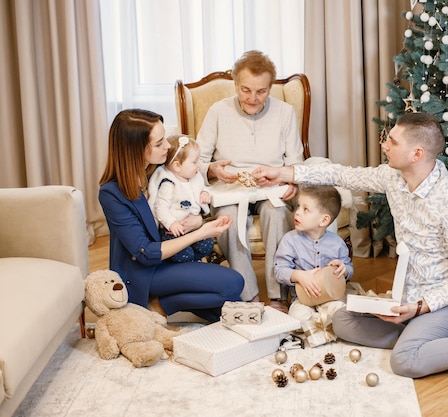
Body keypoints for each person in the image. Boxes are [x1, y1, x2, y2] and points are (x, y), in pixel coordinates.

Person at [252, 112, 448, 378]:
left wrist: (421, 307)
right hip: (406, 297)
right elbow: (343, 174)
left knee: (404, 361)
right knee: (342, 321)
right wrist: (285, 172)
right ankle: (423, 339)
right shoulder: (393, 177)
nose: (384, 145)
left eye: (393, 142)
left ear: (417, 153)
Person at [99, 108, 244, 323]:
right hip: (145, 271)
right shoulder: (111, 193)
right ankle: (162, 304)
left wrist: (197, 221)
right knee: (233, 284)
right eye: (159, 144)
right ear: (136, 149)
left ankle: (165, 299)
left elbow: (188, 186)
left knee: (234, 304)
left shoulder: (156, 173)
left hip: (173, 257)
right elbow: (146, 253)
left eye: (164, 138)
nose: (167, 146)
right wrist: (200, 232)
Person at [196, 50, 304, 312]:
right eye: (245, 90)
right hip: (228, 189)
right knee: (228, 221)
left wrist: (291, 183)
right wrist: (212, 170)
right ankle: (248, 296)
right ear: (235, 84)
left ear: (270, 88)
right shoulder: (217, 112)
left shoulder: (285, 112)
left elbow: (296, 164)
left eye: (261, 92)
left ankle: (278, 295)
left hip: (272, 189)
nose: (253, 99)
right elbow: (196, 161)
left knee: (277, 216)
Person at [274, 185, 353, 343]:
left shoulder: (337, 243)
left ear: (324, 220)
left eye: (305, 209)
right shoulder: (290, 240)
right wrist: (298, 275)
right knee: (296, 317)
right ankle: (324, 324)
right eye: (298, 206)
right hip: (302, 300)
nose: (297, 212)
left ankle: (319, 325)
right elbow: (279, 270)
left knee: (342, 312)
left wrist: (344, 270)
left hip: (331, 298)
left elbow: (348, 267)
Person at [147, 135, 214, 263]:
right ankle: (184, 265)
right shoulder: (169, 183)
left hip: (191, 228)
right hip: (172, 232)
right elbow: (160, 207)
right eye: (194, 162)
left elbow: (202, 187)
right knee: (184, 254)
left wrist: (205, 192)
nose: (198, 165)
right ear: (177, 166)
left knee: (207, 244)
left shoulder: (194, 176)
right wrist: (171, 223)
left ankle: (194, 262)